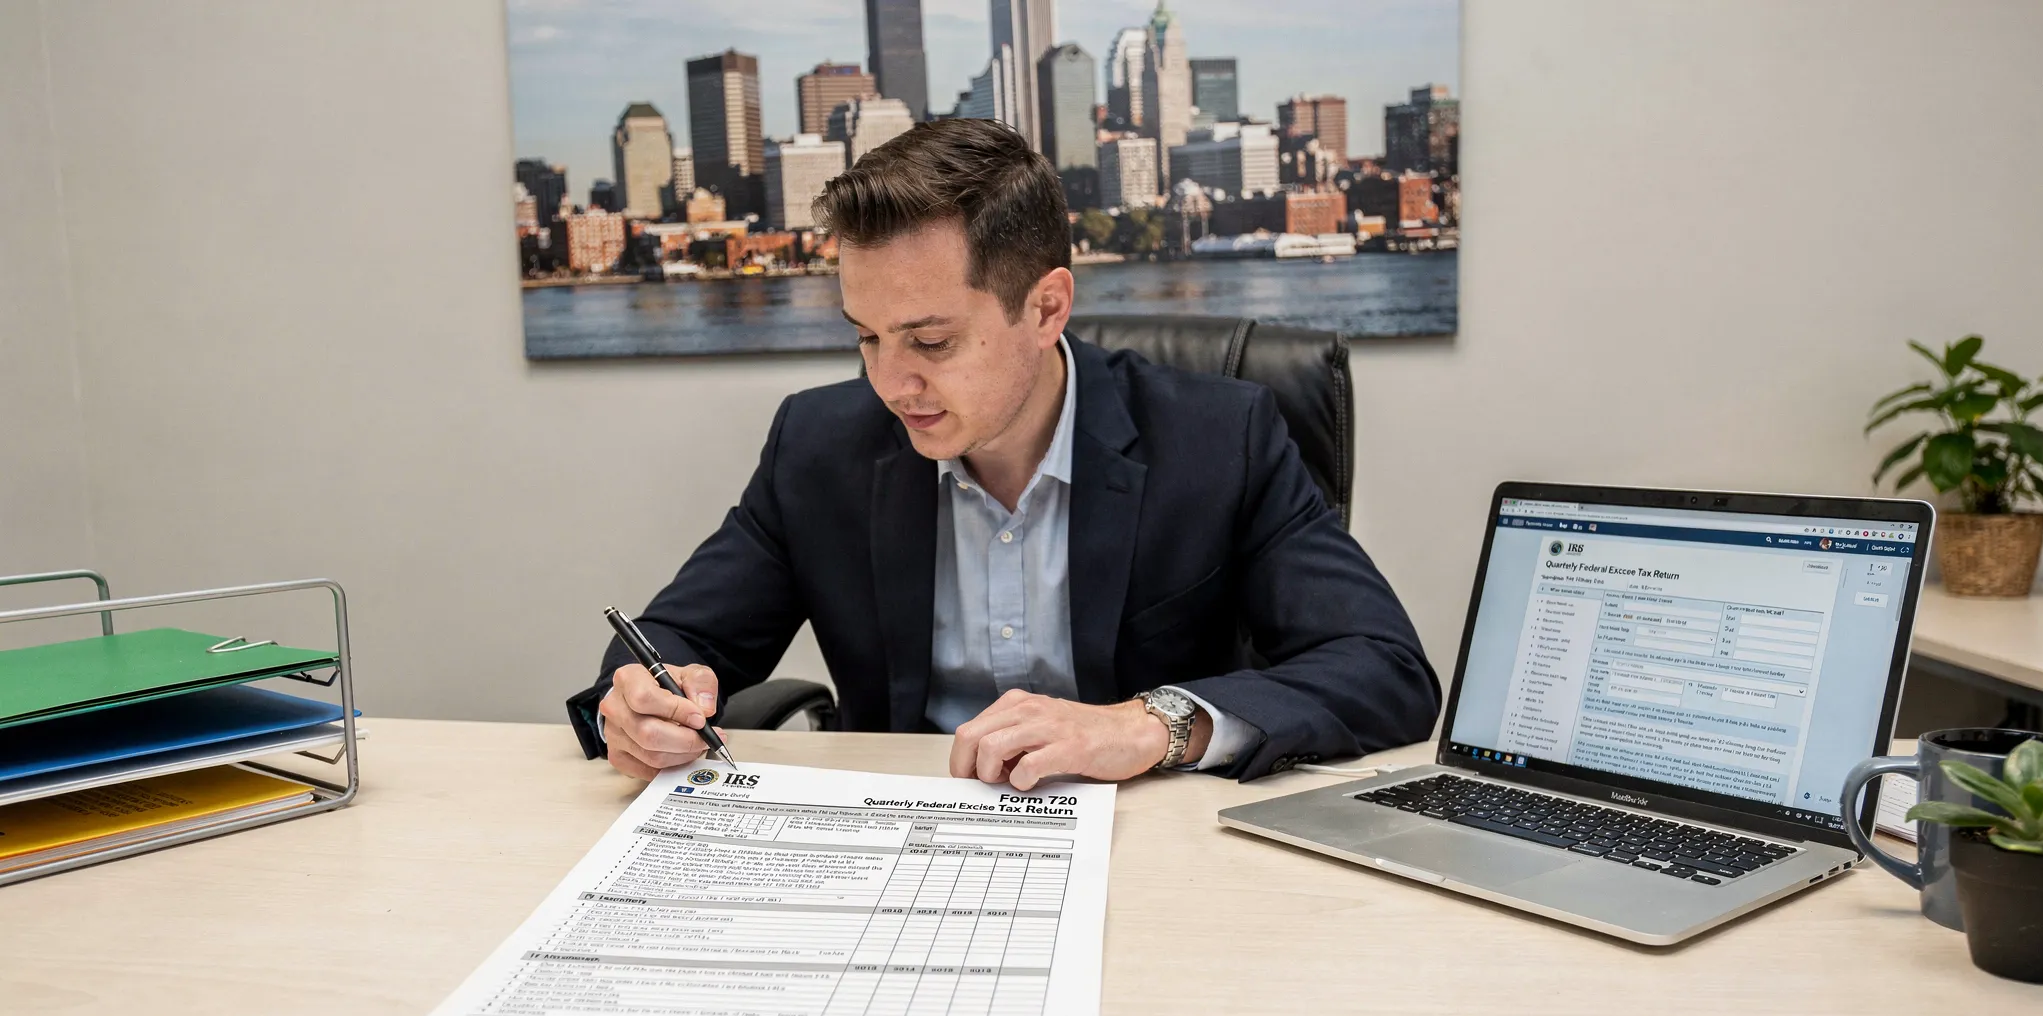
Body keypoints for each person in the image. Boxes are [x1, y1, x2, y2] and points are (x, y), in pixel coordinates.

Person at [567, 119, 1439, 790]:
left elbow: (1386, 669)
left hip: (1146, 845)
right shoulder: (819, 446)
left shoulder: (1220, 437)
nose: (890, 382)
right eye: (866, 337)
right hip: (899, 840)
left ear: (1048, 308)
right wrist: (642, 702)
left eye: (932, 341)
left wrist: (1152, 724)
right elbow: (672, 640)